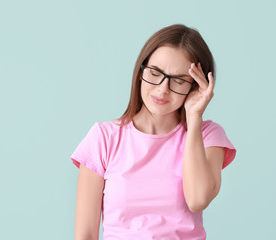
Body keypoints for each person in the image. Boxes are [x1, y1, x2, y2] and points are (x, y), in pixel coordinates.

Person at [70, 24, 236, 240]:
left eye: (178, 80)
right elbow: (85, 236)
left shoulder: (208, 135)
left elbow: (198, 199)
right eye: (155, 73)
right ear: (141, 72)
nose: (162, 89)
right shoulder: (103, 138)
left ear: (196, 86)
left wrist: (194, 117)